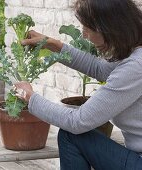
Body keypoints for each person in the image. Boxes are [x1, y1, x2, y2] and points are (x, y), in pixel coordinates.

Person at [14, 0, 142, 169]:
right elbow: (99, 68)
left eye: (87, 28)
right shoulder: (135, 53)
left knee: (71, 134)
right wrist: (54, 45)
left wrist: (30, 98)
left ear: (108, 27)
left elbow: (78, 122)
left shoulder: (136, 66)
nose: (83, 35)